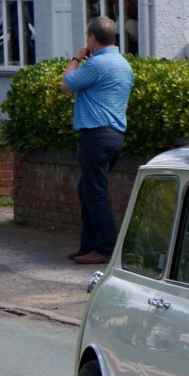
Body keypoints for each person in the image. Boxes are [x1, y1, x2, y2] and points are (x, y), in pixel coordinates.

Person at [59, 16, 135, 264]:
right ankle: (88, 245)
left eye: (87, 37)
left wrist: (76, 58)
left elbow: (66, 85)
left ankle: (105, 248)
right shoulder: (123, 64)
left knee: (96, 193)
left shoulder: (96, 64)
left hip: (95, 136)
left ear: (92, 38)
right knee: (88, 190)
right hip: (114, 136)